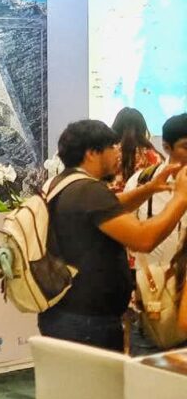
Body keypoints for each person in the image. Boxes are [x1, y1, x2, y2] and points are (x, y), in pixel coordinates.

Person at [38, 119, 186, 359]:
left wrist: (149, 189)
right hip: (87, 321)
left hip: (66, 314)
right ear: (92, 153)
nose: (119, 153)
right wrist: (180, 198)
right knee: (96, 383)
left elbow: (111, 208)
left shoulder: (63, 184)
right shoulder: (88, 191)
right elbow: (143, 239)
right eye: (112, 147)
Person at [123, 113, 187, 355]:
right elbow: (128, 235)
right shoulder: (143, 182)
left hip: (185, 298)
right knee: (146, 373)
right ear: (167, 147)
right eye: (186, 147)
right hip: (152, 302)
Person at [109, 107, 161, 193]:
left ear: (116, 127)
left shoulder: (108, 151)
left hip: (109, 198)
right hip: (140, 199)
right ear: (142, 128)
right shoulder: (152, 155)